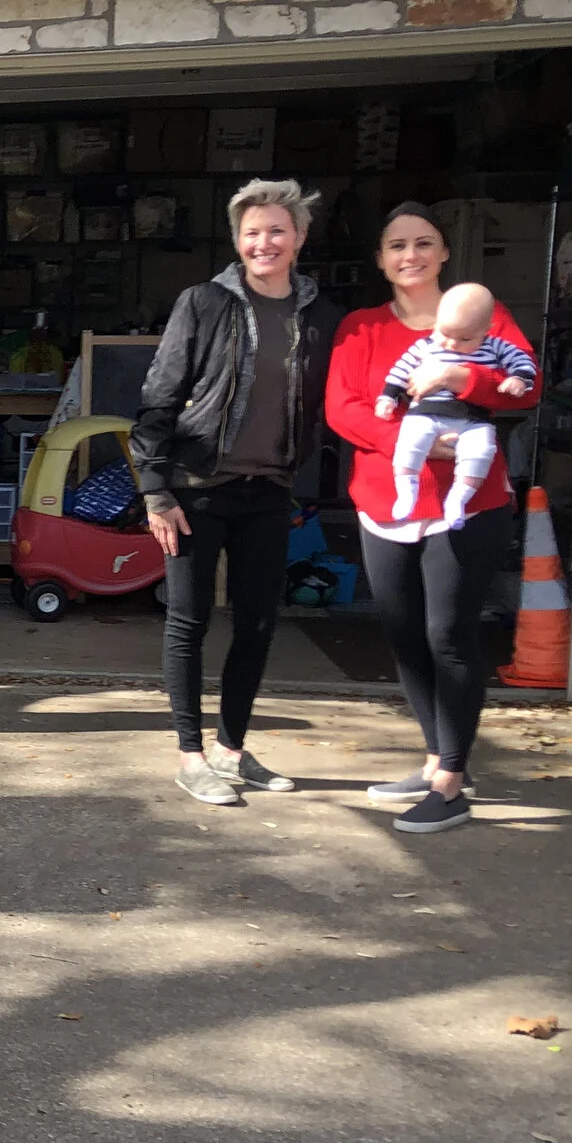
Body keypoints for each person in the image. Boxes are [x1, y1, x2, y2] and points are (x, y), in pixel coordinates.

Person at [326, 204, 539, 835]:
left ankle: (451, 780)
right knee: (404, 635)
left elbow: (525, 386)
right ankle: (432, 758)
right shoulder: (360, 329)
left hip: (467, 503)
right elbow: (343, 408)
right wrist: (407, 444)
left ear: (444, 254)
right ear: (381, 260)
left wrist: (460, 378)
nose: (410, 255)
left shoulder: (484, 315)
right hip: (387, 500)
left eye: (424, 243)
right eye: (397, 245)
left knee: (448, 634)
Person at [132, 179, 345, 806]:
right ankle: (191, 755)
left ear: (300, 238)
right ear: (237, 241)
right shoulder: (203, 302)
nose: (264, 242)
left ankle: (231, 749)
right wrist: (155, 491)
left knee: (257, 623)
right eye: (252, 232)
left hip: (268, 491)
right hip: (196, 491)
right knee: (188, 623)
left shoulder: (319, 315)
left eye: (277, 230)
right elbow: (159, 394)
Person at [376, 281, 535, 529]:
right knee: (409, 441)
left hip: (473, 419)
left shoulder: (494, 346)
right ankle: (407, 489)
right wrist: (388, 396)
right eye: (444, 333)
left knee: (482, 451)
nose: (451, 343)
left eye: (464, 338)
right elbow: (399, 370)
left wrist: (518, 378)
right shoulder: (425, 346)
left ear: (486, 330)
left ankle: (458, 498)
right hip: (426, 412)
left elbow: (522, 360)